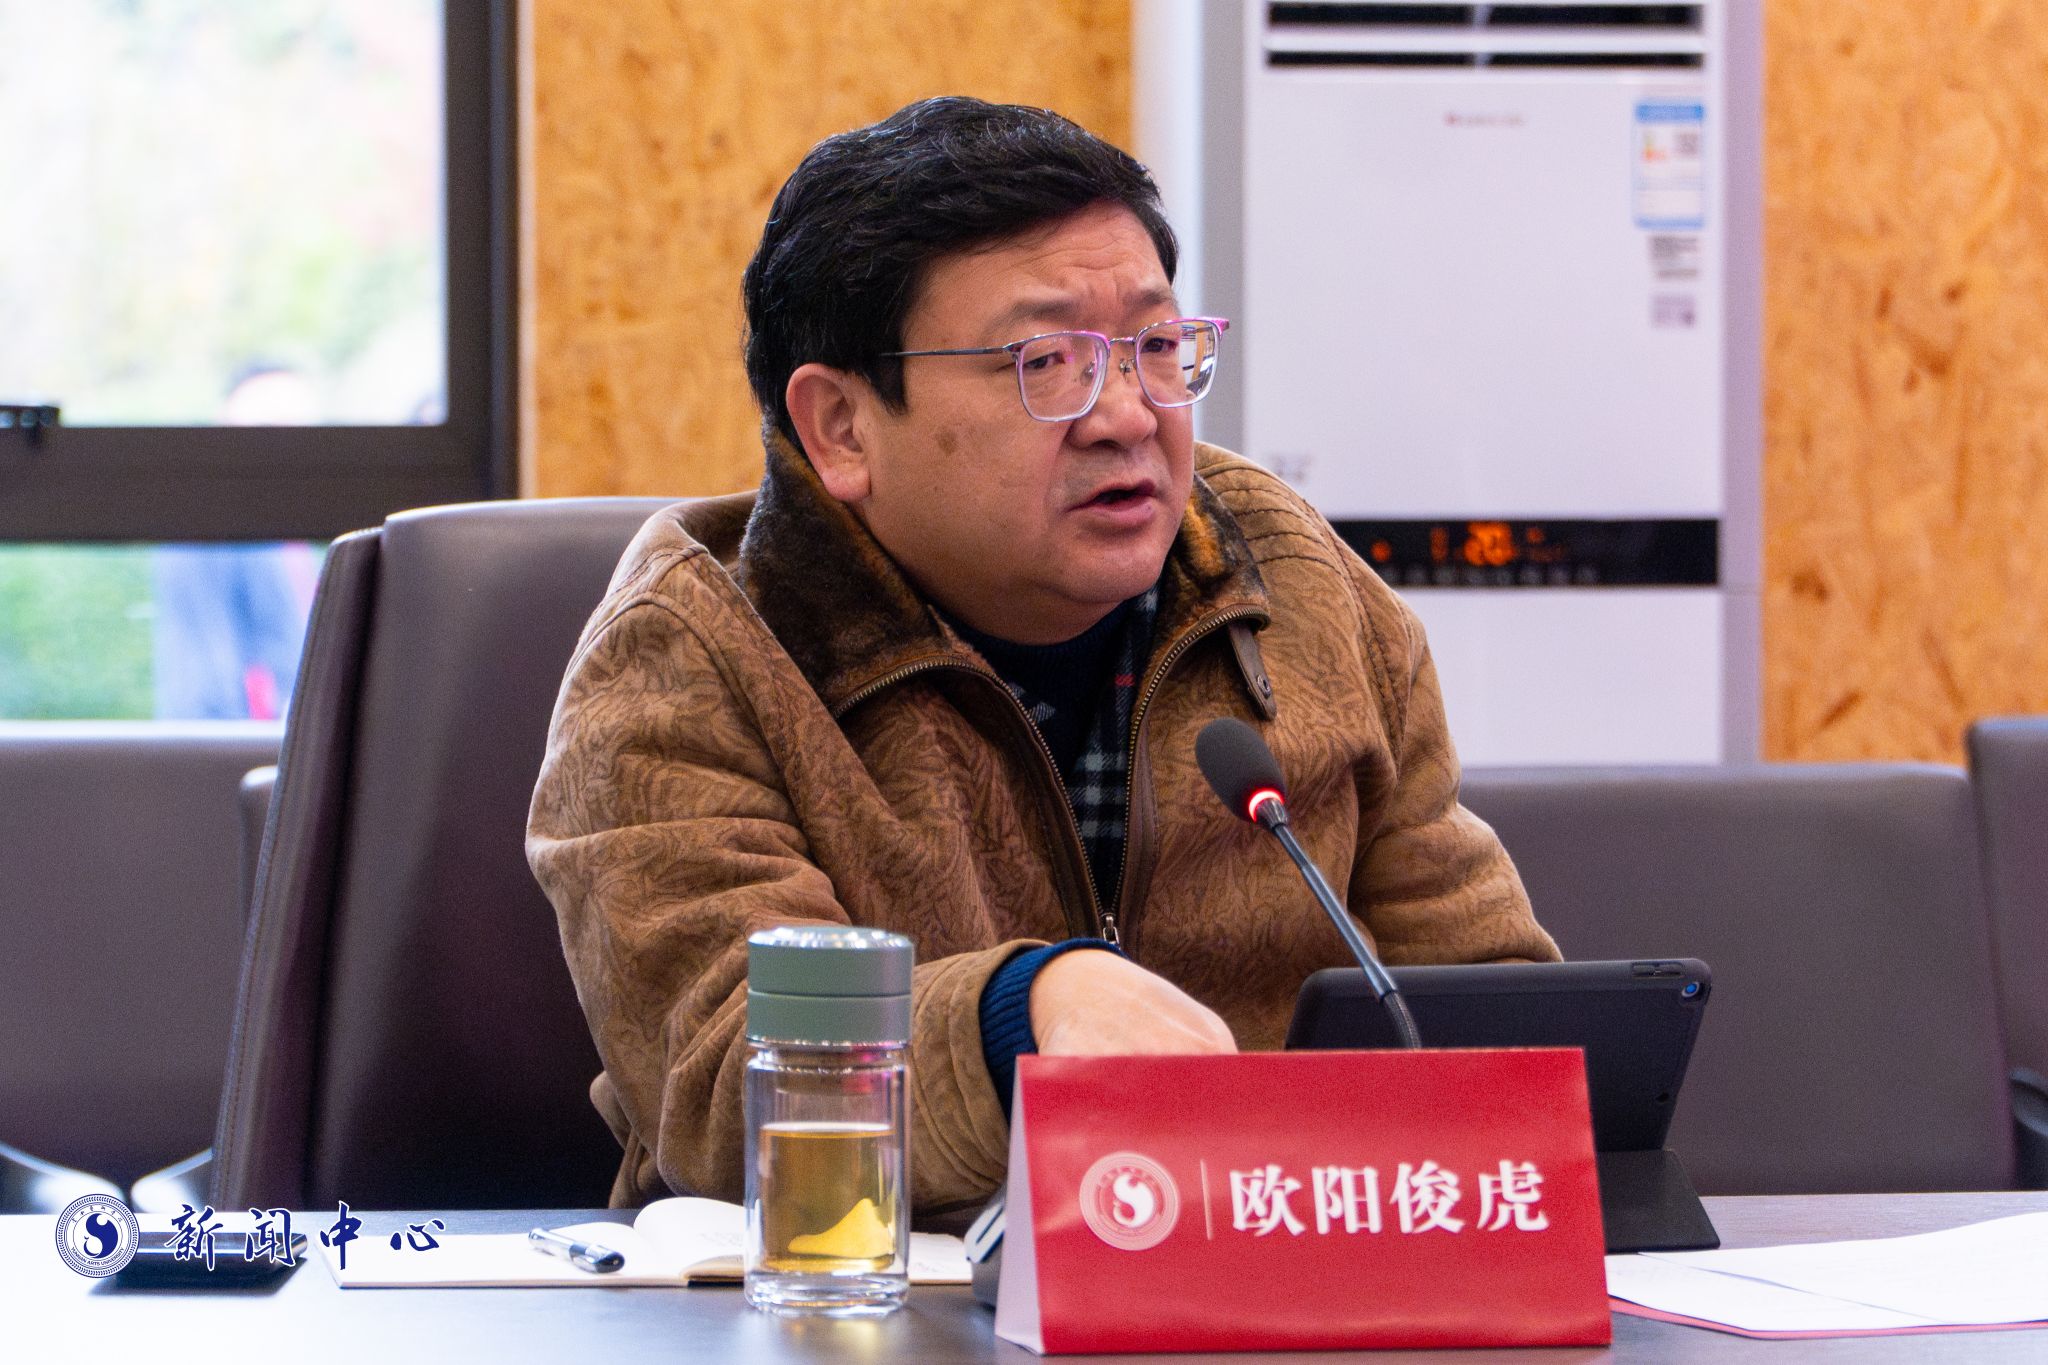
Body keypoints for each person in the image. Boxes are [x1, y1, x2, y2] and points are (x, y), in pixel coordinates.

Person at [527, 96, 1558, 1219]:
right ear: (841, 428)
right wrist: (1018, 1012)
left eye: (1154, 348)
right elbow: (725, 1078)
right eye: (1048, 361)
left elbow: (1483, 1008)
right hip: (853, 1291)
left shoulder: (1297, 584)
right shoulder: (691, 654)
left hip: (1261, 1266)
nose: (1127, 416)